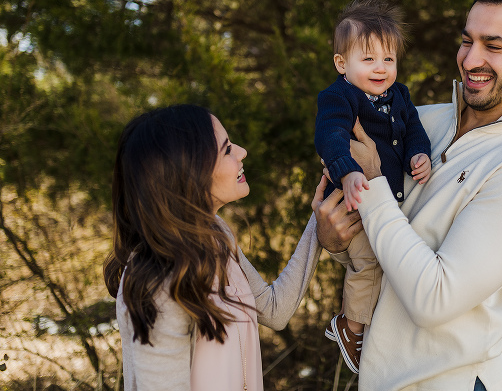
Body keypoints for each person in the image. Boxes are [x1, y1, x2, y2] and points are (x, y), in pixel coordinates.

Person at [315, 0, 502, 391]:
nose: (470, 59)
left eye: (494, 46)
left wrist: (374, 183)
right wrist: (336, 242)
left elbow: (434, 301)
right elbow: (381, 251)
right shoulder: (421, 121)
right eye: (468, 41)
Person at [103, 104, 358, 391]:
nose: (241, 152)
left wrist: (321, 219)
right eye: (226, 150)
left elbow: (274, 310)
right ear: (189, 171)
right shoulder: (156, 283)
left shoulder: (215, 234)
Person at [314, 0, 432, 373]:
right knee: (369, 263)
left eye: (388, 59)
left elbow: (413, 127)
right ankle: (350, 327)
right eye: (368, 60)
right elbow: (330, 135)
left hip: (382, 204)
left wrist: (419, 154)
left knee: (379, 262)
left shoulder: (400, 95)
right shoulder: (338, 96)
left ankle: (363, 323)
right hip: (353, 196)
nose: (380, 68)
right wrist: (348, 169)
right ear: (341, 64)